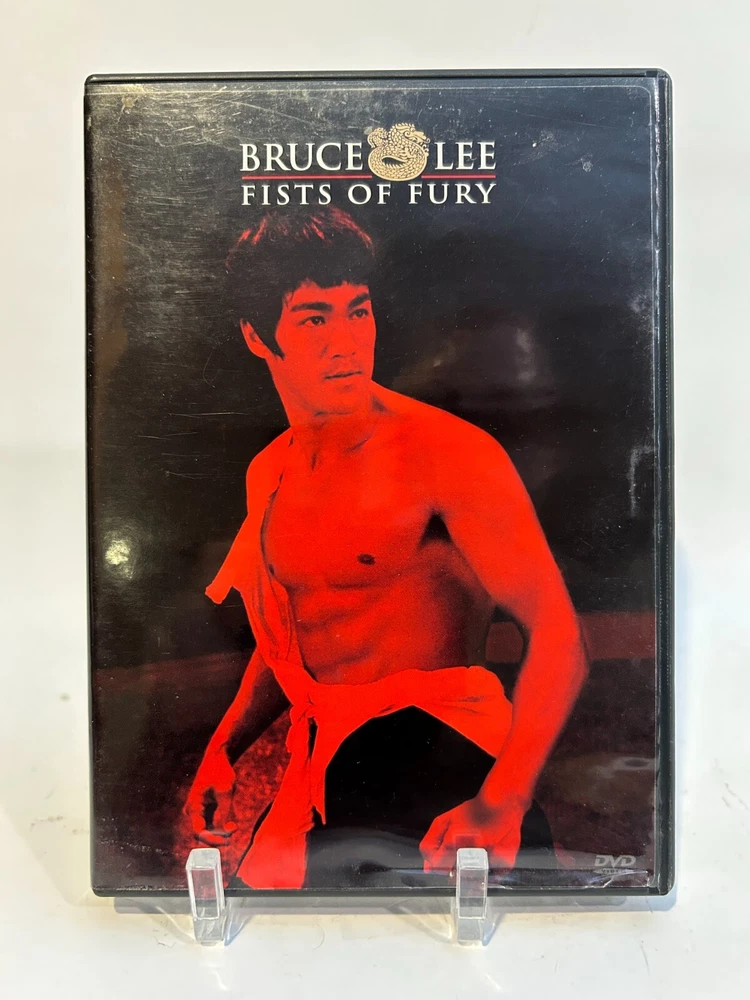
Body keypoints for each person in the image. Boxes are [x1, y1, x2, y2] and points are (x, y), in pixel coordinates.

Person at [184, 207, 588, 889]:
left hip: (439, 740)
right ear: (257, 336)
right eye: (314, 319)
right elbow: (291, 632)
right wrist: (223, 748)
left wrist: (502, 800)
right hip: (329, 749)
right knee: (267, 913)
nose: (345, 342)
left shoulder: (446, 452)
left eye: (358, 311)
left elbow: (558, 633)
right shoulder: (269, 471)